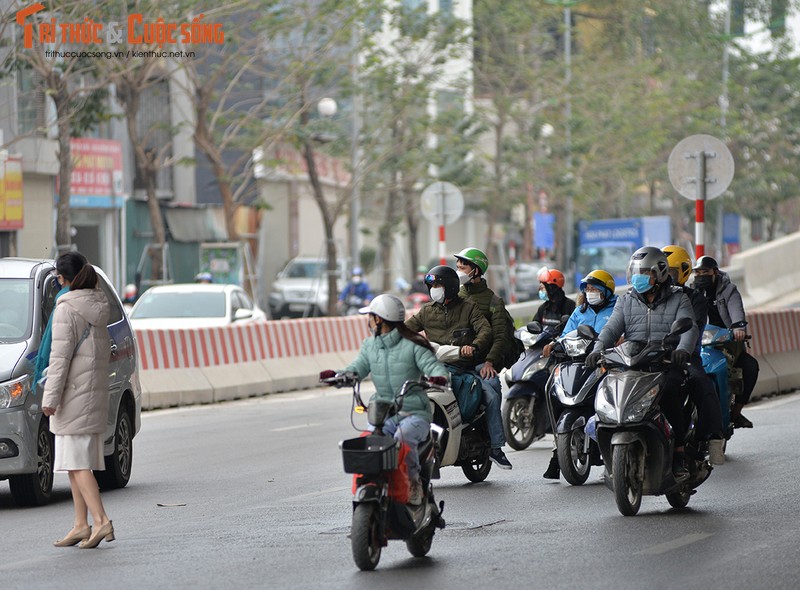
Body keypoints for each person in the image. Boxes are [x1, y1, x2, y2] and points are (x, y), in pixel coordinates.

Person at [585, 247, 698, 478]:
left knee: (671, 393)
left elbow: (689, 327)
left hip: (664, 363)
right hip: (632, 363)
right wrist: (597, 350)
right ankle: (604, 453)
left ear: (661, 272)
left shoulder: (679, 297)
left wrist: (682, 350)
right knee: (606, 393)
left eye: (645, 272)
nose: (639, 277)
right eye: (636, 272)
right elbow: (611, 329)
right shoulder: (626, 300)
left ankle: (678, 452)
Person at [324, 294, 448, 505]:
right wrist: (338, 376)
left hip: (414, 413)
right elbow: (357, 368)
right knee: (369, 444)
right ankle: (372, 485)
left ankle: (414, 482)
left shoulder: (413, 345)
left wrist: (439, 377)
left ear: (380, 319)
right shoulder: (370, 346)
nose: (369, 321)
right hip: (384, 413)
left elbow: (434, 367)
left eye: (371, 316)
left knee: (402, 439)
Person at [405, 265, 512, 469]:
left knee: (490, 394)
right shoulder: (427, 311)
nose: (434, 289)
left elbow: (485, 331)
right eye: (432, 285)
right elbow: (406, 329)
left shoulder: (468, 307)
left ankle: (496, 448)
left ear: (451, 287)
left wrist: (473, 347)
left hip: (470, 365)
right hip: (439, 366)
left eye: (438, 285)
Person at [42, 251, 115, 549]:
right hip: (92, 394)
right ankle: (80, 525)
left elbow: (58, 361)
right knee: (76, 462)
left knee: (77, 464)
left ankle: (100, 521)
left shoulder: (67, 309)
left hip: (73, 395)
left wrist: (50, 398)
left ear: (63, 279)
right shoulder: (98, 305)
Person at [541, 269, 618, 479]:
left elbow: (622, 332)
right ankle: (559, 450)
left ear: (606, 291)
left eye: (595, 289)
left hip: (608, 364)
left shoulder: (618, 307)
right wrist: (554, 344)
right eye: (588, 289)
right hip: (578, 363)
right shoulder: (580, 311)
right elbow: (567, 334)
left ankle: (614, 456)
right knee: (555, 394)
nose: (591, 292)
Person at [663, 246, 725, 465]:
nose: (662, 276)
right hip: (651, 357)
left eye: (669, 271)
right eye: (658, 271)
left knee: (701, 381)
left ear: (683, 271)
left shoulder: (693, 298)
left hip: (685, 356)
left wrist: (680, 347)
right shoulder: (646, 297)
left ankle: (713, 436)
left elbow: (694, 327)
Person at [454, 247, 513, 470]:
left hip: (480, 363)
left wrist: (489, 362)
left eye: (463, 266)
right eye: (458, 266)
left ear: (476, 271)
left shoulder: (493, 302)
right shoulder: (454, 296)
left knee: (490, 394)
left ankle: (496, 447)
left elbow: (500, 337)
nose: (458, 270)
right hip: (453, 359)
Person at [690, 255, 759, 429]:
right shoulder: (690, 292)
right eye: (698, 272)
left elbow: (736, 310)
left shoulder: (729, 290)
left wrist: (738, 329)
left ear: (715, 272)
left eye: (706, 271)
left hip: (726, 343)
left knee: (750, 367)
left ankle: (736, 412)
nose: (701, 276)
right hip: (697, 345)